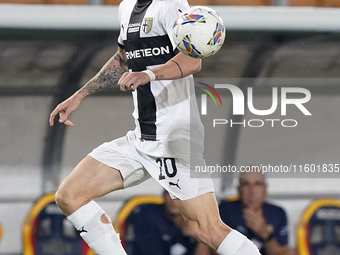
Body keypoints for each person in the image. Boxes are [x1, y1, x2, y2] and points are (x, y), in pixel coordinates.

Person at [49, 0, 261, 254]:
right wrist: (79, 95)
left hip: (173, 139)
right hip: (141, 139)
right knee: (69, 195)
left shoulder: (170, 4)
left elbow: (193, 61)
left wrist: (148, 74)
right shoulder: (126, 7)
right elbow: (122, 58)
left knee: (206, 229)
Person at [196, 168, 296, 255]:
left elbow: (283, 252)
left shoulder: (277, 213)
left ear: (265, 189)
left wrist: (264, 233)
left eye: (257, 184)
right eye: (246, 184)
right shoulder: (225, 210)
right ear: (239, 189)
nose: (252, 191)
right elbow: (208, 247)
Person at [121, 190, 197, 255]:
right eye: (171, 194)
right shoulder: (148, 215)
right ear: (163, 195)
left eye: (180, 196)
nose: (174, 200)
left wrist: (198, 236)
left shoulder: (195, 220)